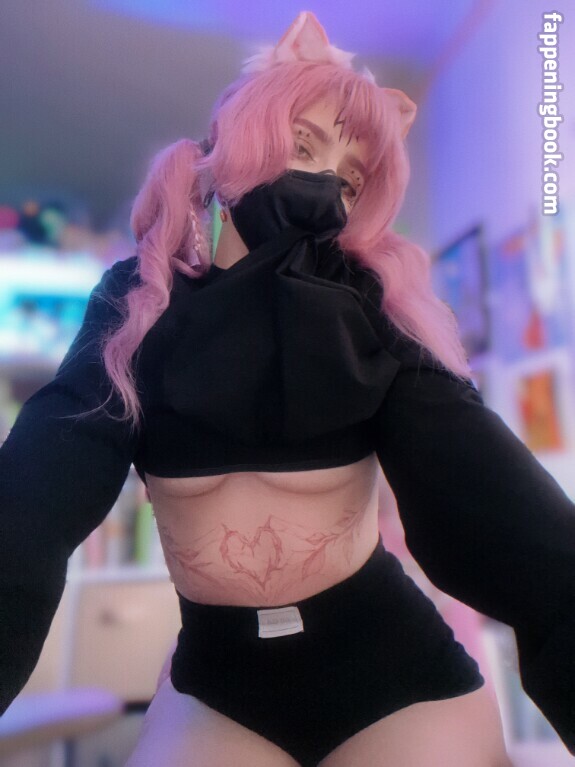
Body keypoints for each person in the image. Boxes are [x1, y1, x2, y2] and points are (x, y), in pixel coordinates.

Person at [1, 11, 574, 767]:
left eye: (349, 179)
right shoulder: (138, 302)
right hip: (220, 684)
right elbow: (32, 505)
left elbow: (510, 524)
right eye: (302, 145)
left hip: (394, 675)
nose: (323, 185)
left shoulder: (369, 311)